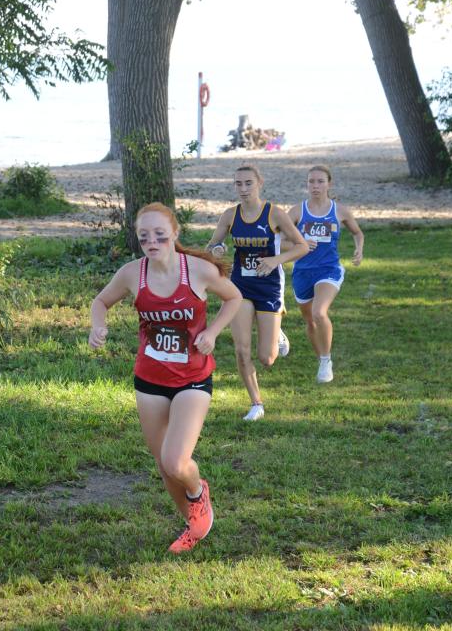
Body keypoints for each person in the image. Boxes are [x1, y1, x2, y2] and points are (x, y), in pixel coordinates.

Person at [89, 202, 242, 554]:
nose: (152, 241)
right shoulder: (133, 273)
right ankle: (192, 522)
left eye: (159, 234)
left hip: (192, 377)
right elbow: (101, 301)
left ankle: (197, 491)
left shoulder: (199, 271)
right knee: (164, 466)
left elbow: (234, 297)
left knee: (177, 461)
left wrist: (214, 331)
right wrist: (99, 326)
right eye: (144, 236)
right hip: (150, 379)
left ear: (174, 234)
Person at [204, 165, 309, 422]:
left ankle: (277, 333)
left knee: (267, 358)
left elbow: (302, 246)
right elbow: (211, 244)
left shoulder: (274, 214)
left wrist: (276, 260)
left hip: (269, 285)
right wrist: (216, 249)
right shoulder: (230, 216)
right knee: (241, 349)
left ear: (259, 183)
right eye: (238, 184)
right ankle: (256, 403)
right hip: (240, 286)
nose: (243, 189)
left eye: (248, 183)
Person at [286, 166, 363, 383]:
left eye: (320, 181)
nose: (315, 186)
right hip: (302, 272)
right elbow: (277, 240)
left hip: (329, 270)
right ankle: (321, 357)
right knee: (310, 321)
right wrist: (299, 243)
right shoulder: (297, 211)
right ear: (307, 184)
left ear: (329, 184)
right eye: (311, 182)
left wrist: (359, 249)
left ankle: (325, 361)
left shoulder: (340, 211)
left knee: (320, 313)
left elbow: (357, 233)